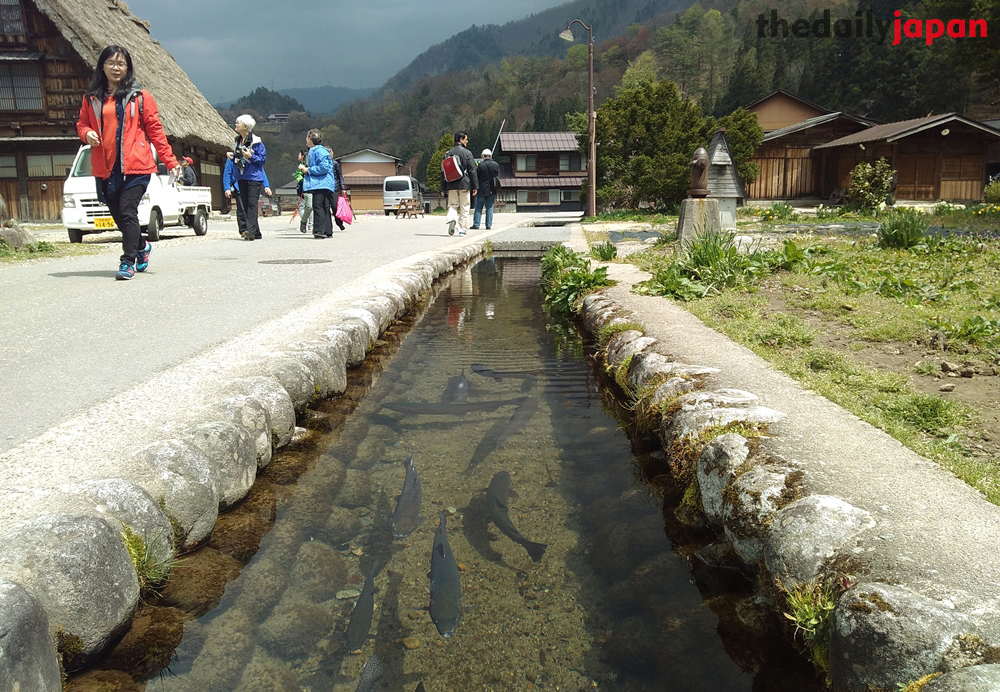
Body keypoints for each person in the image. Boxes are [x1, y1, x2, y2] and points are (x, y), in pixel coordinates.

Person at [76, 45, 179, 280]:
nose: (116, 67)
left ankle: (127, 262)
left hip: (137, 166)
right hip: (106, 167)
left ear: (127, 68)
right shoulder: (91, 98)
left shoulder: (141, 96)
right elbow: (82, 123)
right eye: (111, 63)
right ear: (102, 66)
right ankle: (142, 246)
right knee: (118, 216)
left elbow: (156, 131)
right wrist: (86, 134)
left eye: (121, 63)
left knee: (127, 211)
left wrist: (170, 161)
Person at [230, 114, 266, 240]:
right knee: (245, 204)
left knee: (252, 204)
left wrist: (251, 157)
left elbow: (262, 159)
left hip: (254, 177)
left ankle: (250, 231)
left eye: (238, 123)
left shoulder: (257, 142)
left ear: (245, 127)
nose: (236, 125)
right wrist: (233, 156)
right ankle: (256, 232)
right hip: (241, 176)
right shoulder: (237, 141)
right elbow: (238, 157)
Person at [299, 129, 336, 239]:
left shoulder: (318, 150)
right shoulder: (320, 150)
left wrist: (308, 170)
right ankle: (327, 230)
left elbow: (324, 167)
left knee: (318, 205)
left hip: (320, 183)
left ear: (311, 139)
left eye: (307, 137)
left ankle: (319, 230)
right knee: (325, 206)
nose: (306, 140)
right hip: (325, 183)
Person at [440, 131, 477, 236]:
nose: (467, 141)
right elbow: (472, 171)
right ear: (461, 139)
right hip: (464, 183)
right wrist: (475, 186)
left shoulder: (447, 153)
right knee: (464, 207)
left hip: (451, 184)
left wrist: (443, 188)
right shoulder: (467, 153)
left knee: (452, 205)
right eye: (466, 139)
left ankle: (452, 219)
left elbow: (443, 172)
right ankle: (461, 230)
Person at [223, 156, 271, 236]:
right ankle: (244, 229)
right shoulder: (233, 157)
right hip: (239, 185)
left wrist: (266, 185)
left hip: (252, 185)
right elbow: (227, 172)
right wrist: (227, 187)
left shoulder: (251, 156)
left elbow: (260, 171)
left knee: (252, 208)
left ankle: (253, 230)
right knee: (242, 209)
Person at [472, 148, 500, 230]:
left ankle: (476, 224)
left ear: (483, 156)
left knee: (478, 207)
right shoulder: (496, 165)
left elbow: (477, 177)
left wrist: (475, 187)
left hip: (481, 189)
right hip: (492, 188)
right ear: (491, 156)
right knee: (490, 207)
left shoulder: (481, 165)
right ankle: (488, 225)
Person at [327, 146, 347, 231]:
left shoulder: (335, 164)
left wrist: (343, 188)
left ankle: (339, 223)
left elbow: (340, 177)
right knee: (326, 208)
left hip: (334, 188)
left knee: (335, 208)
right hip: (325, 188)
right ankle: (328, 227)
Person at [294, 150, 313, 234]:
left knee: (302, 207)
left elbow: (298, 177)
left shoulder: (301, 165)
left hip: (304, 189)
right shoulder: (310, 164)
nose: (298, 156)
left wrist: (300, 181)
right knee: (310, 206)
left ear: (302, 156)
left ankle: (304, 221)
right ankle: (311, 224)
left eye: (299, 154)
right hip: (310, 187)